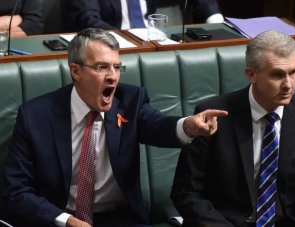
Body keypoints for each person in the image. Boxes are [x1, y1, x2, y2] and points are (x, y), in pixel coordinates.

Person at [3, 27, 227, 227]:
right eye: (102, 67)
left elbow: (158, 125)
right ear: (76, 71)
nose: (112, 77)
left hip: (119, 220)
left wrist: (188, 125)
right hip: (60, 219)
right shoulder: (35, 116)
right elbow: (16, 190)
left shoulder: (130, 101)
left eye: (117, 67)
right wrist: (66, 220)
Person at [171, 30, 295, 227]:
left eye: (293, 72)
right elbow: (186, 192)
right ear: (252, 75)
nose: (288, 85)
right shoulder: (213, 115)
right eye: (277, 75)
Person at [63, 0, 224, 32]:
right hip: (113, 46)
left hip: (153, 41)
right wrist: (130, 37)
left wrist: (216, 21)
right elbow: (87, 19)